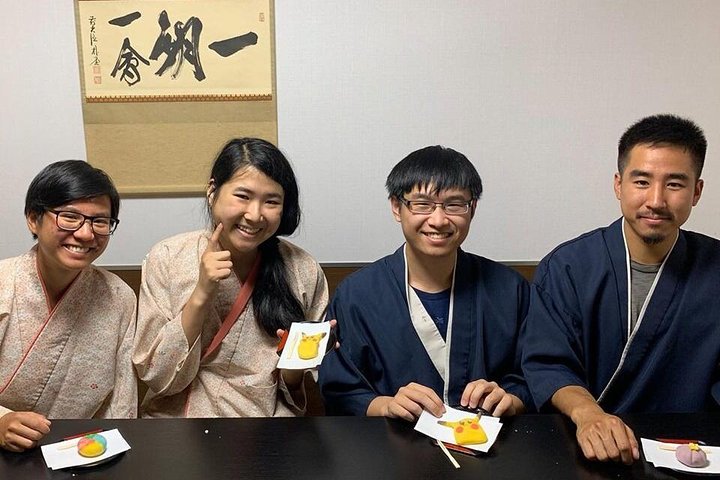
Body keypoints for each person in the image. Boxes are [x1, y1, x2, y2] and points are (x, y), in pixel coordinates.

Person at [521, 114, 720, 464]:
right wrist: (588, 414)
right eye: (641, 181)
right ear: (618, 184)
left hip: (689, 449)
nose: (656, 200)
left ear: (697, 191)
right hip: (581, 444)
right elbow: (547, 364)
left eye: (674, 184)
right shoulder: (568, 266)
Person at [318, 145, 531, 421]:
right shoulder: (357, 295)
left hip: (490, 449)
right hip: (391, 449)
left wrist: (511, 399)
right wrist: (385, 405)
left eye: (454, 204)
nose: (439, 220)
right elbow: (340, 390)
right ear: (397, 207)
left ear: (472, 209)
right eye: (422, 204)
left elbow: (536, 372)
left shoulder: (510, 289)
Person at [133, 138, 329, 417]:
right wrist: (202, 292)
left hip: (266, 430)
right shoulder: (168, 257)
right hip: (179, 426)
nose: (254, 214)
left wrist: (295, 366)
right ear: (213, 191)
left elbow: (300, 387)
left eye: (271, 201)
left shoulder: (302, 270)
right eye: (243, 196)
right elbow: (156, 374)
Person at [0, 160, 137, 452]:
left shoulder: (118, 297)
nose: (86, 234)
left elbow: (121, 399)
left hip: (83, 450)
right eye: (69, 217)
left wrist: (113, 447)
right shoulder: (3, 284)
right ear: (33, 218)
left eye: (100, 221)